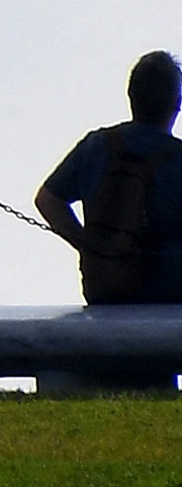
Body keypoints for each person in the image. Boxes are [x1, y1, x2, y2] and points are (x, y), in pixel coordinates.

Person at [36, 50, 182, 306]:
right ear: (176, 103)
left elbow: (47, 199)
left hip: (107, 295)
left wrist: (88, 246)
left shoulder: (98, 145)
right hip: (169, 304)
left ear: (131, 97)